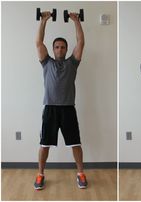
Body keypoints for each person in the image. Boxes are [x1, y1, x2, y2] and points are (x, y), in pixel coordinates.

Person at [34, 10, 87, 190]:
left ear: (66, 49)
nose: (60, 49)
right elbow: (38, 42)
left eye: (62, 47)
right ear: (53, 49)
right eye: (56, 47)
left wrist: (76, 21)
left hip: (67, 109)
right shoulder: (46, 62)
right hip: (50, 109)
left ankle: (80, 174)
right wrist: (43, 20)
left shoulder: (72, 63)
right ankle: (40, 175)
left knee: (75, 143)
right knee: (44, 145)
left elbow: (80, 42)